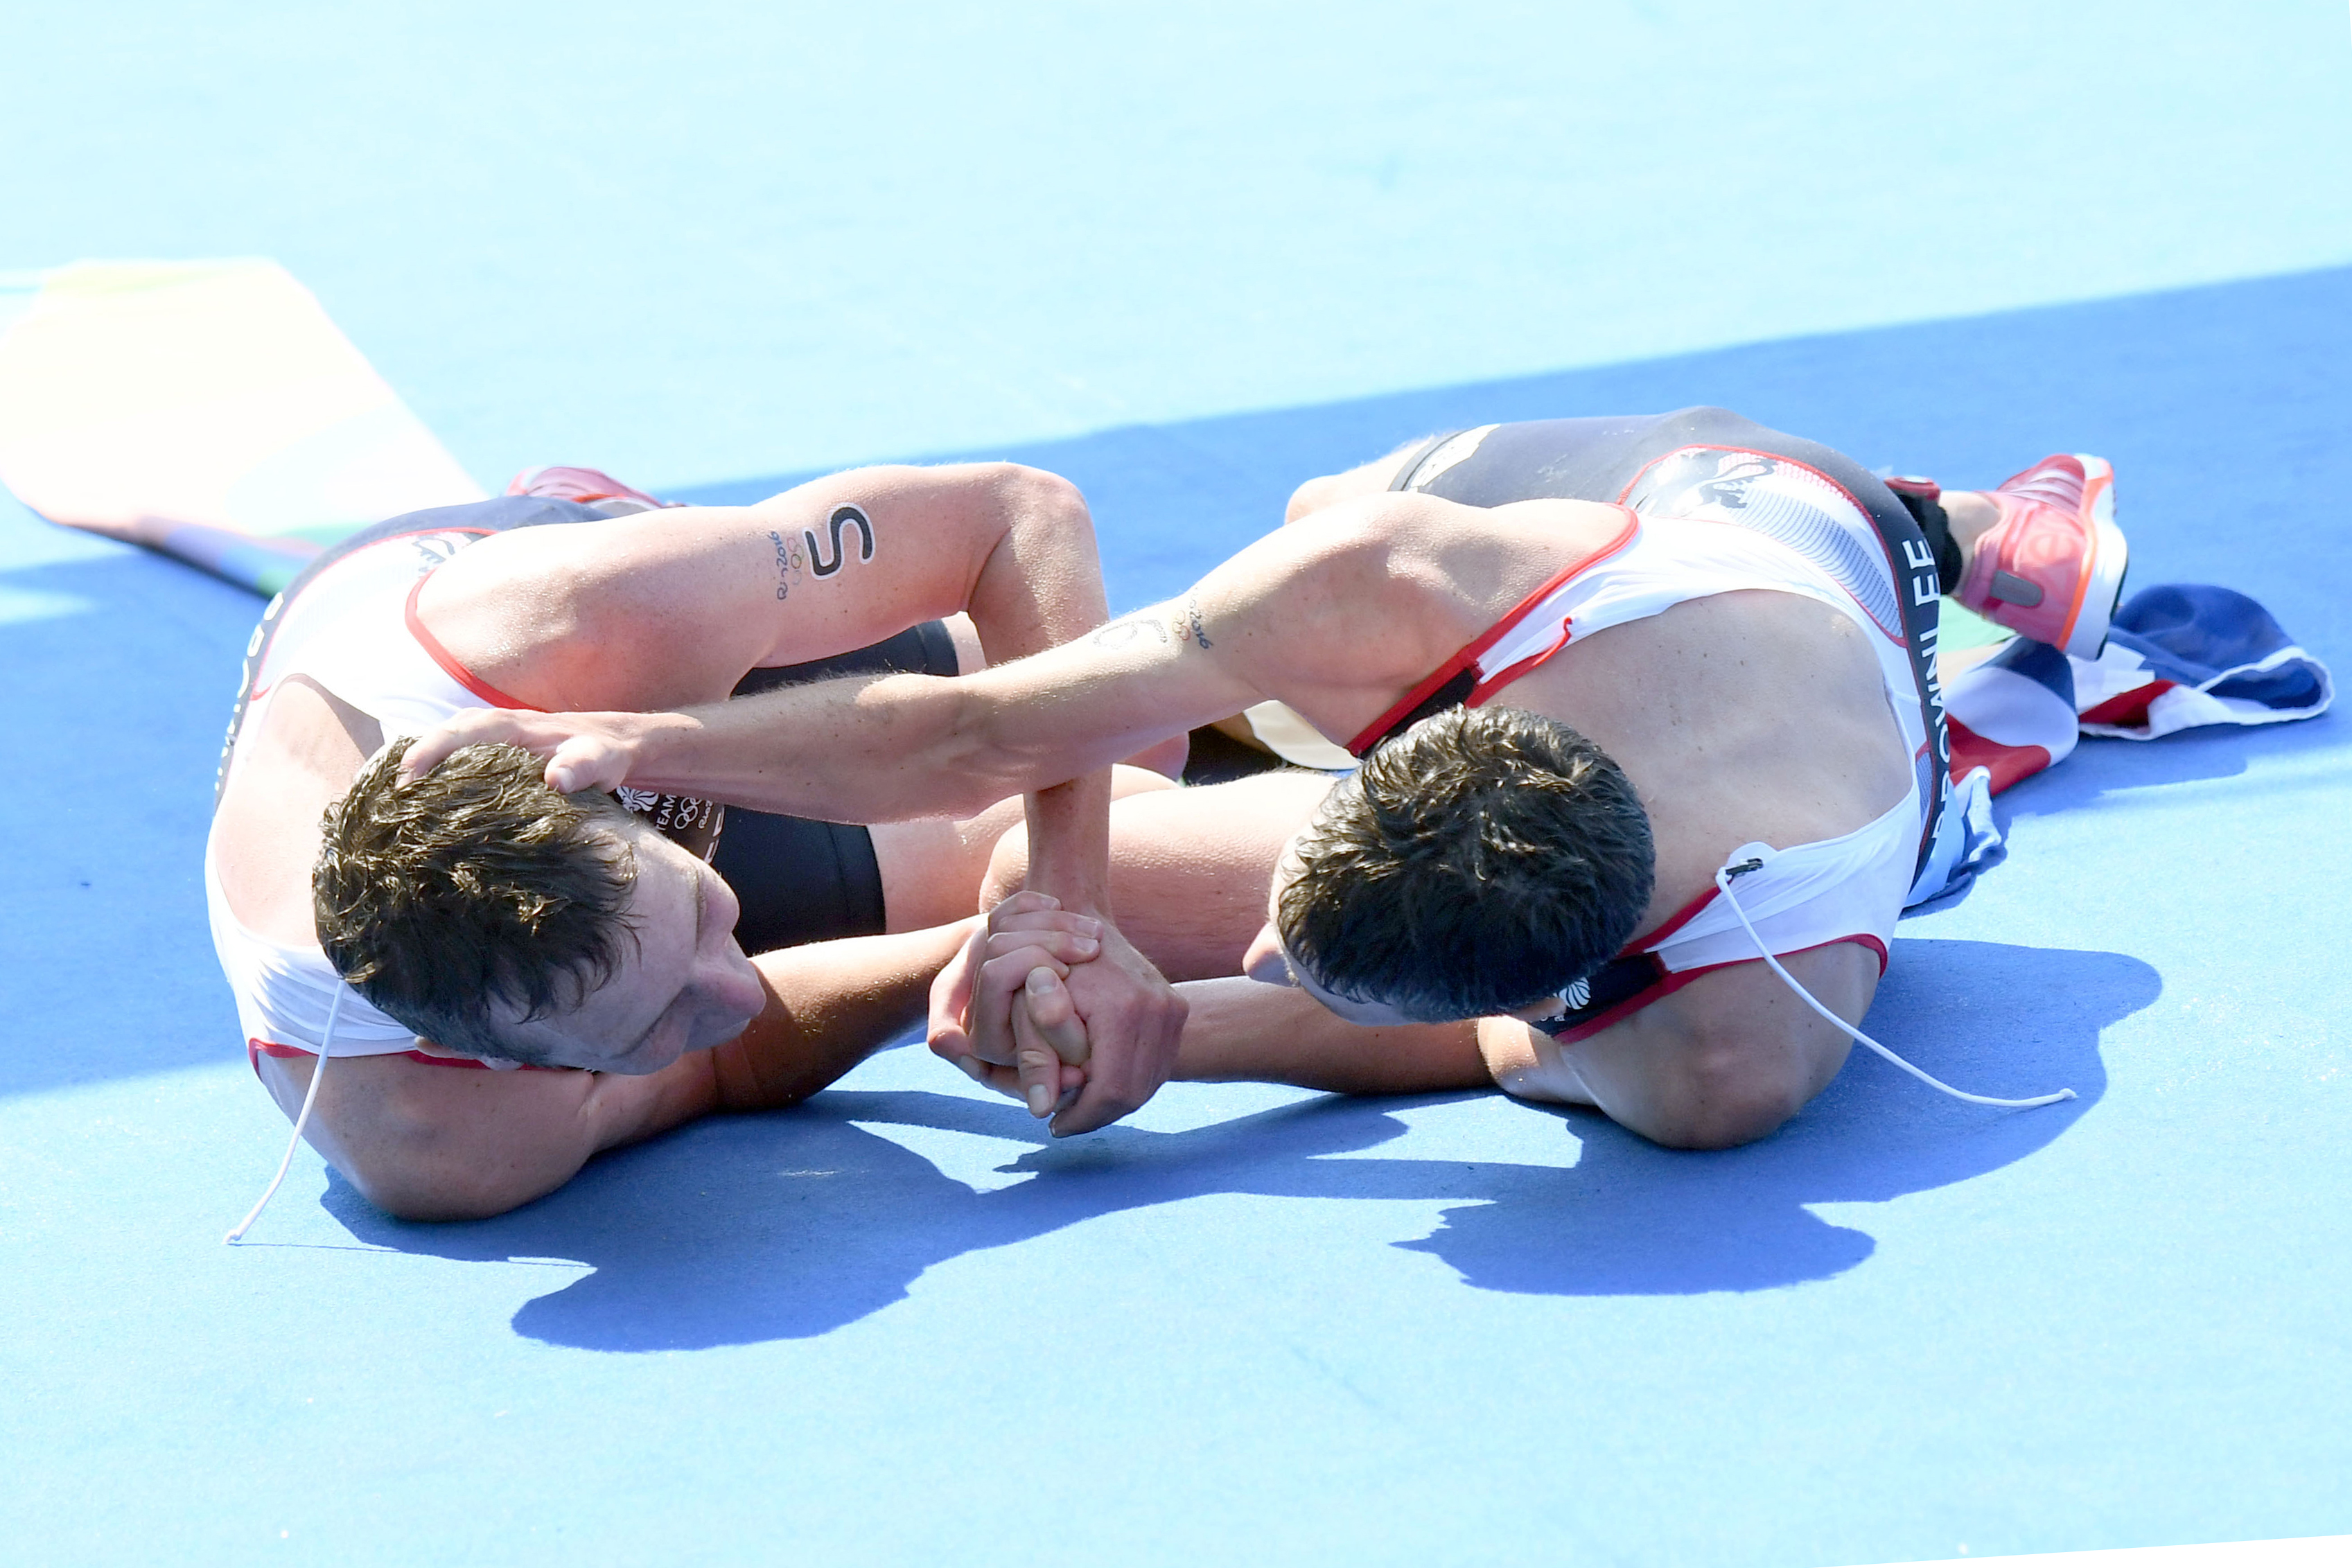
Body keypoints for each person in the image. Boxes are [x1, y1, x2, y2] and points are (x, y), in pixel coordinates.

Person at [404, 409, 2124, 1149]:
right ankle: (1952, 543)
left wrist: (1160, 1035)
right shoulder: (1374, 580)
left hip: (1814, 637)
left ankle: (1959, 583)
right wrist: (643, 747)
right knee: (1310, 516)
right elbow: (977, 735)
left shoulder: (1725, 1058)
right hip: (1708, 494)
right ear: (1392, 760)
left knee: (1142, 839)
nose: (1257, 946)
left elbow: (1472, 1035)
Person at [211, 461, 1324, 1223]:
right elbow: (737, 1053)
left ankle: (582, 495)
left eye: (701, 917)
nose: (730, 989)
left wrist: (1070, 913)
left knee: (1136, 735)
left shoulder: (584, 626)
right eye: (647, 1027)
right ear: (521, 1062)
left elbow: (1016, 515)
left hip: (537, 621)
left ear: (607, 789)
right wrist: (971, 957)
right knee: (1081, 831)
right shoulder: (441, 1138)